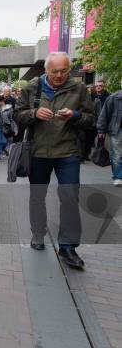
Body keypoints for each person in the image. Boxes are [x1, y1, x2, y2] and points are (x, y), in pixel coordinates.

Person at [15, 52, 95, 269]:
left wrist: (76, 116)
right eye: (54, 71)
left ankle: (68, 247)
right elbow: (18, 114)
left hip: (68, 151)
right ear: (46, 70)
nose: (59, 75)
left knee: (70, 196)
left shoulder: (78, 89)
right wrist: (33, 114)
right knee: (37, 195)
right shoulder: (32, 87)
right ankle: (38, 234)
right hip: (38, 151)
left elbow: (91, 119)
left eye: (64, 71)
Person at [97, 90, 122, 186]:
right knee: (117, 154)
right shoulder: (114, 97)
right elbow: (104, 114)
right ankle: (118, 177)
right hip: (117, 129)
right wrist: (101, 130)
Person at [85, 80, 110, 160]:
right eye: (97, 86)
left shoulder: (109, 97)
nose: (98, 87)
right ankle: (87, 155)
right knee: (89, 139)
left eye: (100, 85)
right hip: (91, 122)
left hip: (103, 121)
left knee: (101, 139)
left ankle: (101, 156)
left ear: (104, 87)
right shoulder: (90, 97)